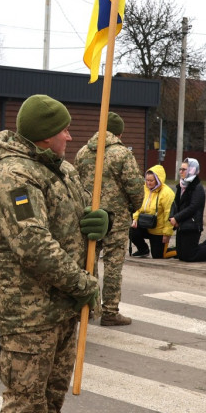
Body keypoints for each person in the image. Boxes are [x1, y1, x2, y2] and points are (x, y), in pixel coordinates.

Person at [0, 94, 105, 413]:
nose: (70, 136)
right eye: (64, 130)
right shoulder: (12, 177)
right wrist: (84, 284)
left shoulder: (64, 171)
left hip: (62, 308)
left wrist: (98, 227)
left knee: (51, 398)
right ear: (43, 135)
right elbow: (34, 245)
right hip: (28, 312)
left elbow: (75, 231)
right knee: (25, 401)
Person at [73, 111, 142, 326]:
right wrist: (134, 208)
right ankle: (110, 312)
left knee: (89, 263)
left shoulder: (83, 152)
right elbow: (135, 187)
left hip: (89, 217)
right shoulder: (122, 154)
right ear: (119, 133)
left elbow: (74, 183)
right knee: (113, 266)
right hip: (117, 218)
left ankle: (89, 308)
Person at [171, 158, 206, 263]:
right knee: (181, 255)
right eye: (180, 169)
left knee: (189, 256)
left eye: (184, 169)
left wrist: (177, 218)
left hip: (192, 225)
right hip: (182, 225)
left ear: (192, 170)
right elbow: (175, 203)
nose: (181, 171)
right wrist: (172, 218)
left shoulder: (197, 187)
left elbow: (193, 207)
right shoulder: (182, 185)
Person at [129, 165, 175, 258]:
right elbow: (138, 207)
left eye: (151, 181)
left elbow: (169, 214)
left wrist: (167, 234)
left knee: (158, 256)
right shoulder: (144, 189)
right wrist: (135, 219)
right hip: (145, 225)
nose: (148, 183)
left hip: (159, 230)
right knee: (132, 231)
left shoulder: (167, 193)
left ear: (158, 180)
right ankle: (143, 250)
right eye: (147, 180)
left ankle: (180, 250)